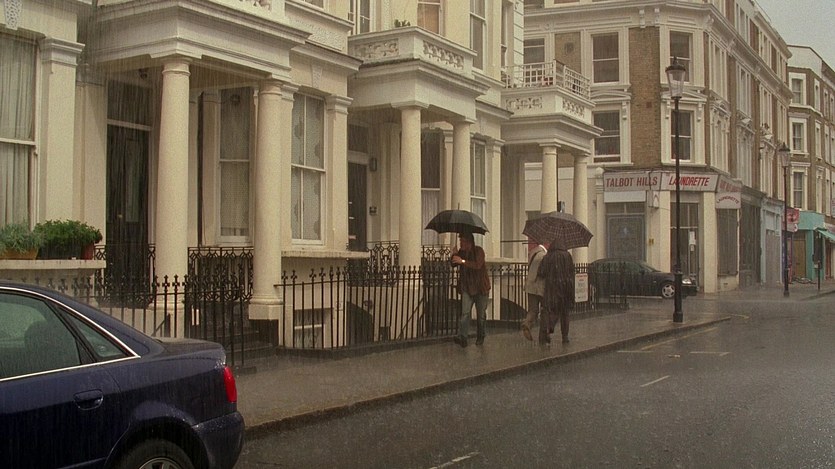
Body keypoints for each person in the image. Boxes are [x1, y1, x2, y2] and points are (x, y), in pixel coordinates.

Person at [450, 232, 490, 347]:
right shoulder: (461, 253)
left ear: (469, 242)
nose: (461, 243)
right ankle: (463, 337)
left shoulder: (479, 251)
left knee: (480, 315)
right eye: (460, 241)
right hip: (467, 288)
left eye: (462, 241)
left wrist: (462, 261)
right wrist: (454, 254)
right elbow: (453, 264)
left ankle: (481, 336)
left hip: (481, 288)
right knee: (465, 313)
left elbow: (477, 265)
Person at [537, 239, 575, 344]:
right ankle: (565, 336)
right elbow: (572, 272)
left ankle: (549, 329)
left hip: (551, 288)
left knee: (552, 311)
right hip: (566, 288)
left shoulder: (548, 257)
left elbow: (541, 272)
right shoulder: (567, 256)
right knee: (565, 313)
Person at [521, 239, 547, 341]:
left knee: (532, 310)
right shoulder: (544, 256)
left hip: (530, 285)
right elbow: (543, 272)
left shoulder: (532, 253)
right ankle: (544, 334)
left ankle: (527, 324)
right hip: (540, 286)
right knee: (545, 309)